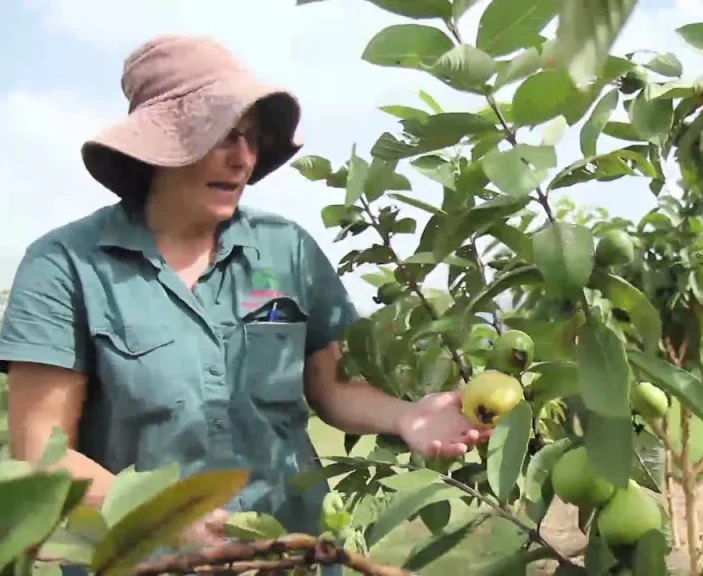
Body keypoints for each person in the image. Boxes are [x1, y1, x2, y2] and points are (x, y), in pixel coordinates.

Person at [0, 34, 489, 560]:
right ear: (159, 148)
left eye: (252, 138)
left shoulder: (287, 250)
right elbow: (42, 455)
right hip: (146, 564)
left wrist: (406, 416)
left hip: (297, 557)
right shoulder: (65, 266)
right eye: (223, 136)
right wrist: (162, 514)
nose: (244, 158)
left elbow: (331, 387)